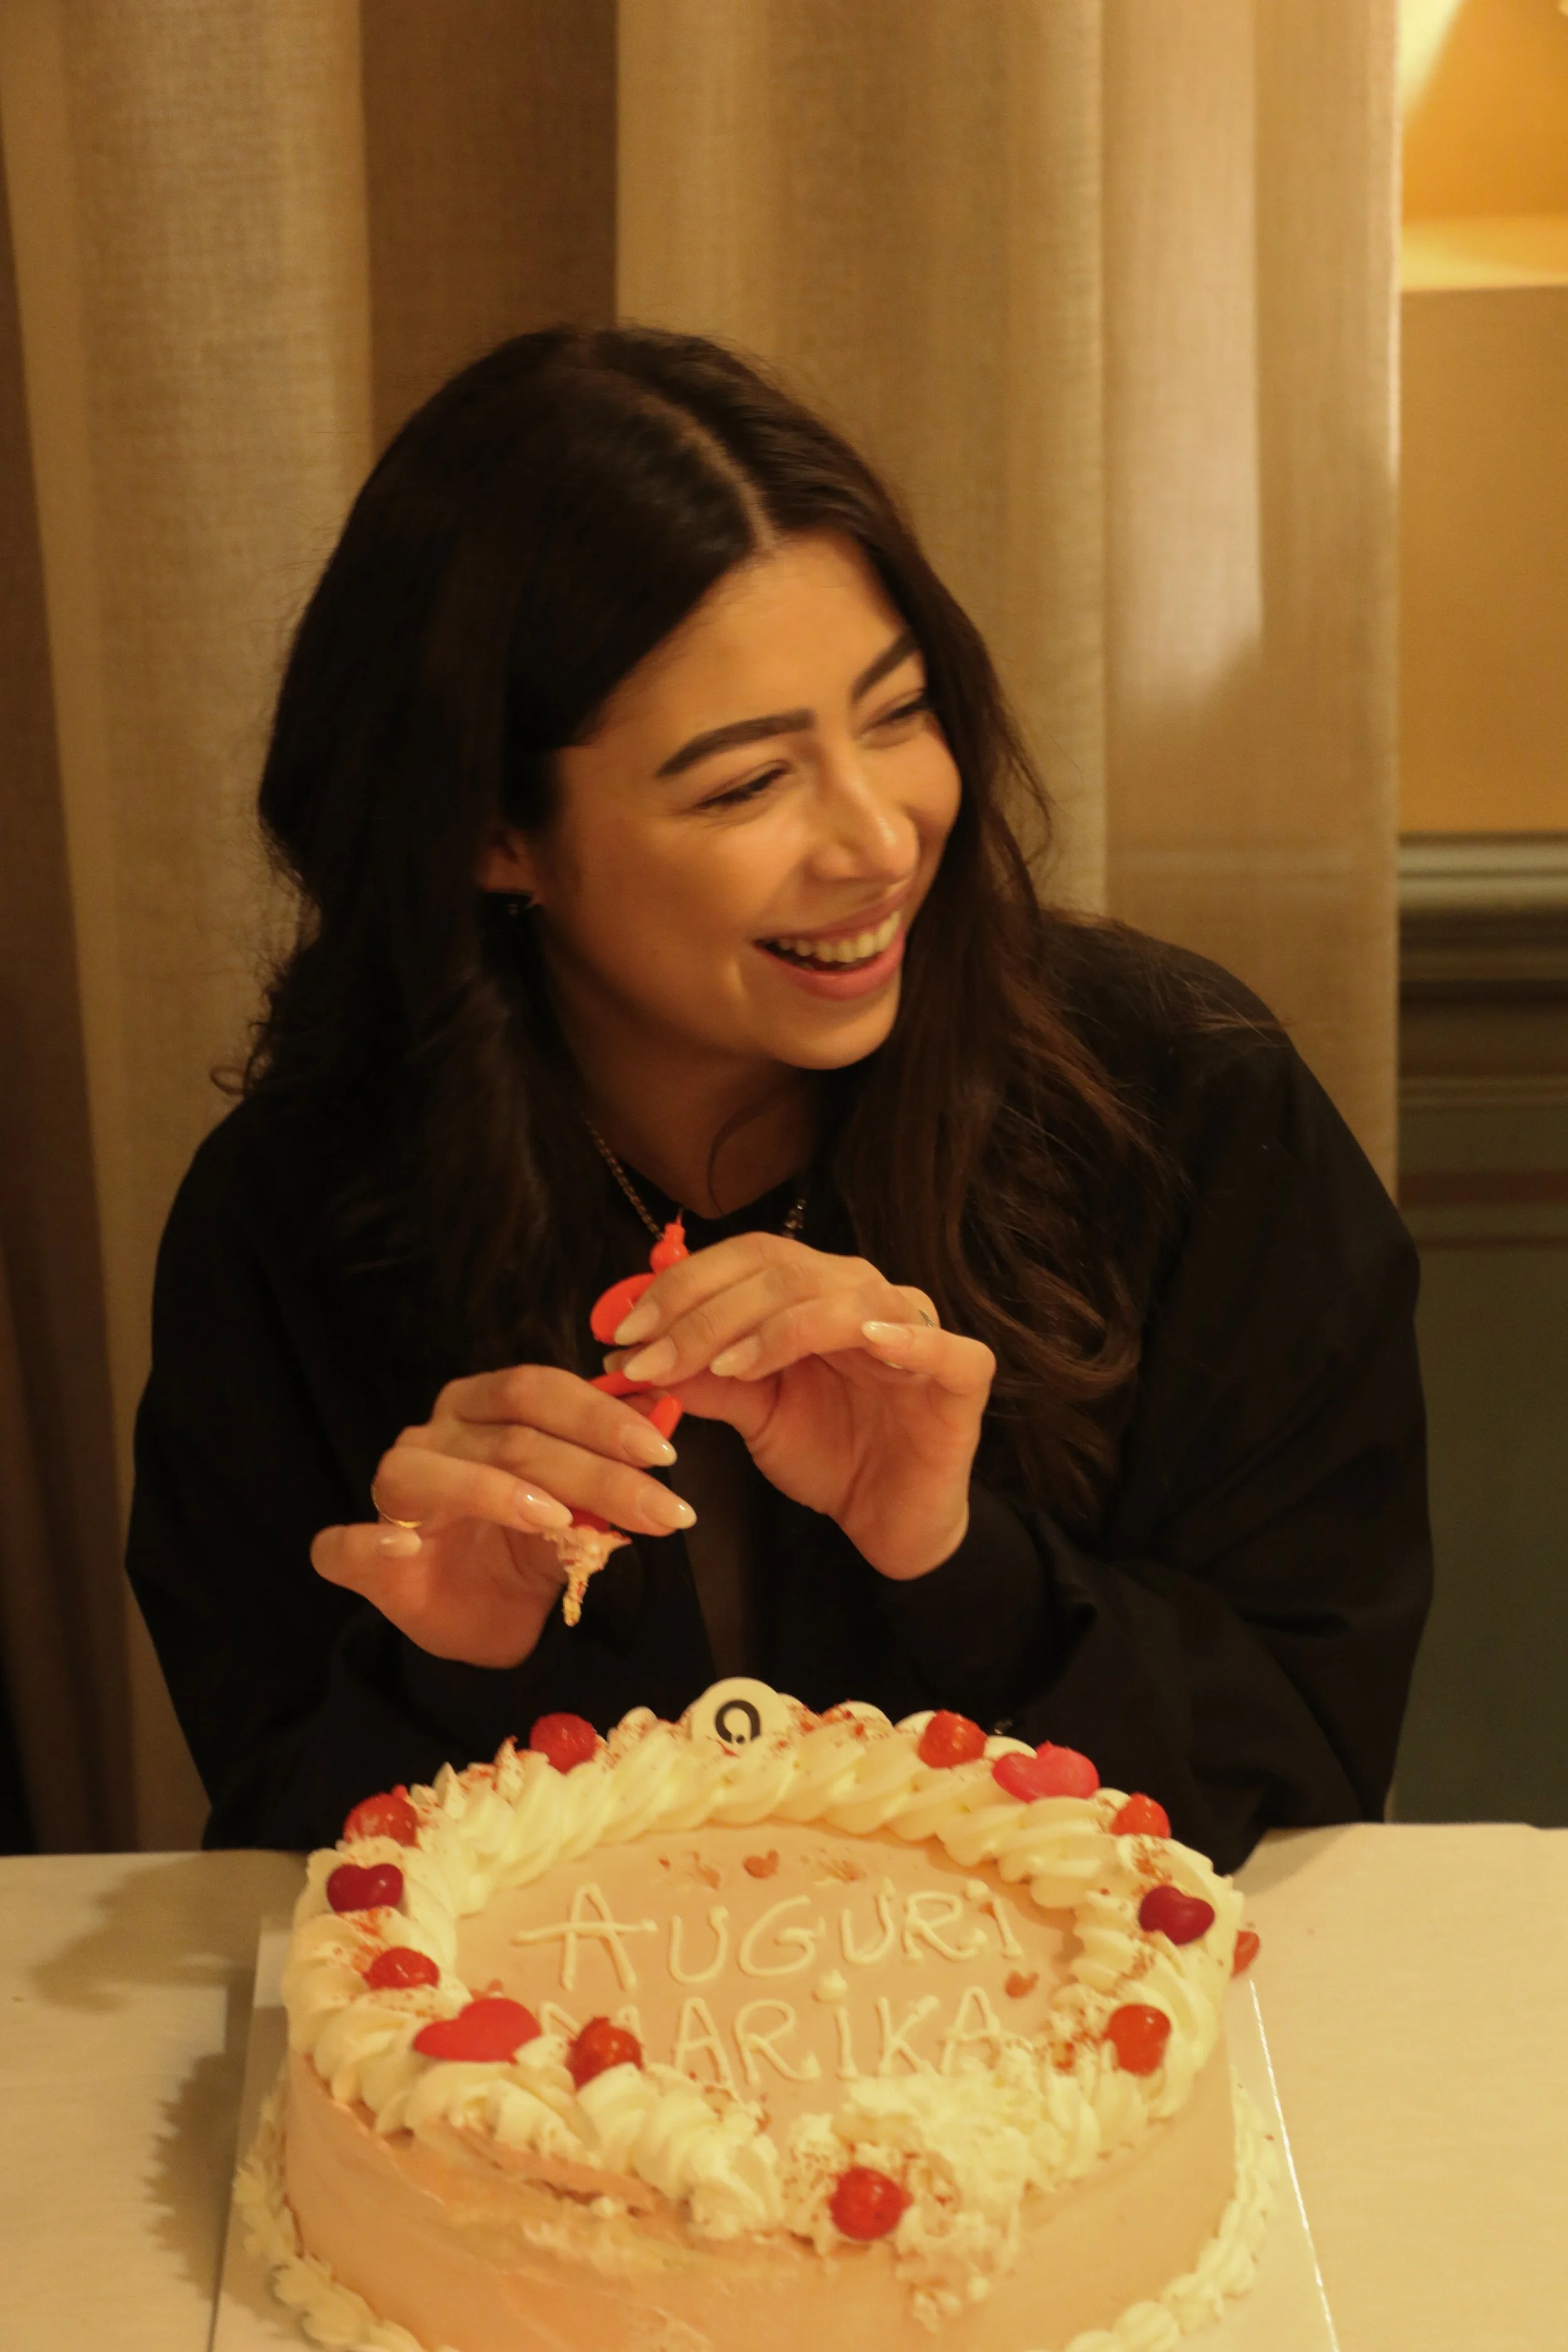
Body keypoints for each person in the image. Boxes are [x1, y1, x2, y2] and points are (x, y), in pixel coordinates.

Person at [127, 326, 1431, 1870]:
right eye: (746, 784)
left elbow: (1301, 1771)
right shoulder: (297, 1219)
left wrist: (954, 1558)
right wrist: (441, 1671)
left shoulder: (1187, 1111)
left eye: (895, 716)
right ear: (496, 836)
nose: (879, 837)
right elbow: (286, 1877)